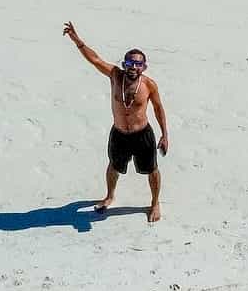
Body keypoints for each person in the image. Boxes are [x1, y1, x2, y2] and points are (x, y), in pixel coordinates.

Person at [63, 21, 169, 222]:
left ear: (144, 66)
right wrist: (77, 40)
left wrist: (164, 134)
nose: (133, 67)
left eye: (138, 64)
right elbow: (94, 59)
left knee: (152, 169)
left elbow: (158, 108)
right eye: (130, 63)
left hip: (142, 134)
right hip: (119, 133)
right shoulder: (114, 76)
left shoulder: (149, 85)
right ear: (124, 64)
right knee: (113, 166)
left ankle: (155, 203)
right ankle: (109, 196)